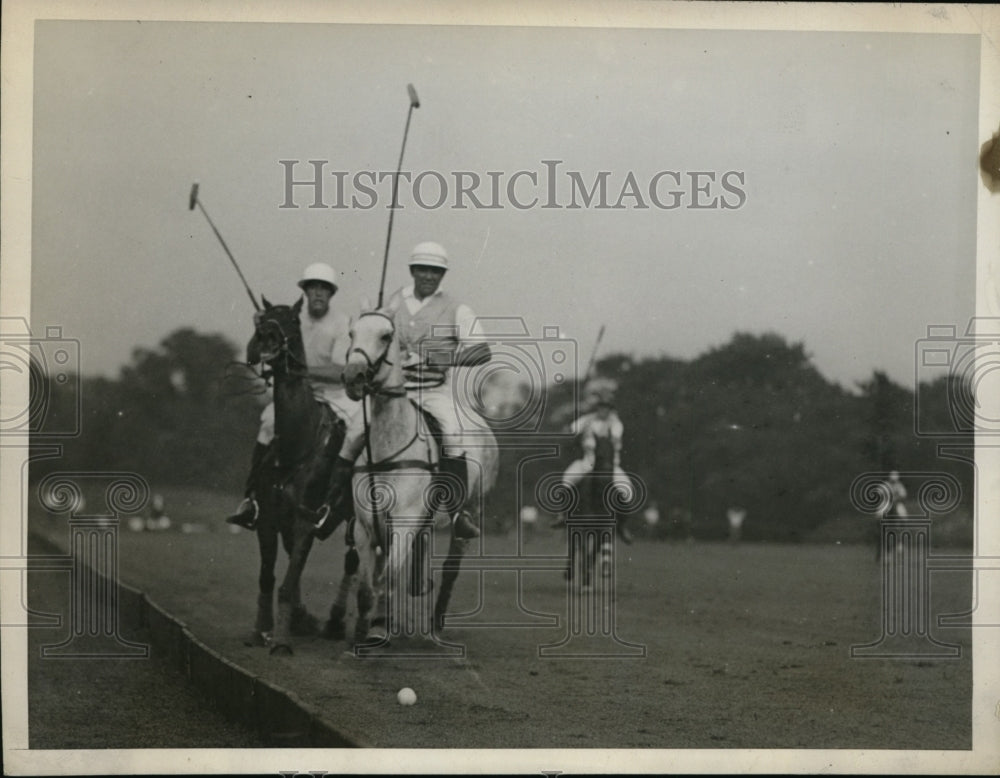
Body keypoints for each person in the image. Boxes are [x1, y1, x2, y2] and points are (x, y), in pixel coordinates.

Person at [315, 241, 490, 540]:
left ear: (442, 274)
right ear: (412, 270)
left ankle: (458, 513)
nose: (428, 276)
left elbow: (482, 352)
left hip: (433, 392)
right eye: (422, 269)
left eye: (435, 271)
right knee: (351, 435)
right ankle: (332, 506)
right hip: (391, 393)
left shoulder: (457, 309)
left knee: (453, 434)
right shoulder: (393, 304)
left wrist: (442, 358)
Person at [226, 262, 358, 529]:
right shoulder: (288, 319)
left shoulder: (342, 323)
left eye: (324, 288)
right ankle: (251, 500)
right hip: (294, 397)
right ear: (305, 292)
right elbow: (253, 358)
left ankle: (345, 504)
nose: (318, 293)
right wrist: (258, 329)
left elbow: (339, 371)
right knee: (267, 424)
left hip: (333, 396)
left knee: (355, 432)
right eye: (313, 288)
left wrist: (299, 370)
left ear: (331, 293)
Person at [552, 378, 634, 544]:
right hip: (587, 463)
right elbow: (572, 429)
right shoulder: (586, 420)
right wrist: (569, 430)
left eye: (606, 408)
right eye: (601, 407)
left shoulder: (615, 423)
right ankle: (562, 515)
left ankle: (622, 525)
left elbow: (614, 436)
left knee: (627, 490)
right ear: (597, 408)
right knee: (566, 480)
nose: (603, 410)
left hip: (610, 466)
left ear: (610, 409)